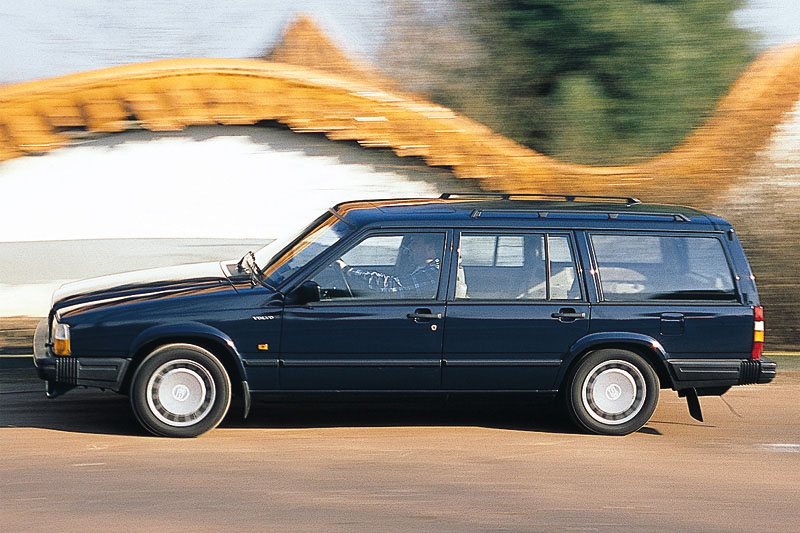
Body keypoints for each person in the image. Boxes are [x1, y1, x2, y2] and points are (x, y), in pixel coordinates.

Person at [337, 234, 442, 298]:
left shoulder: (434, 274)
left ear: (430, 248)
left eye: (414, 243)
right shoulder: (421, 267)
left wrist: (348, 271)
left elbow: (392, 286)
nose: (409, 247)